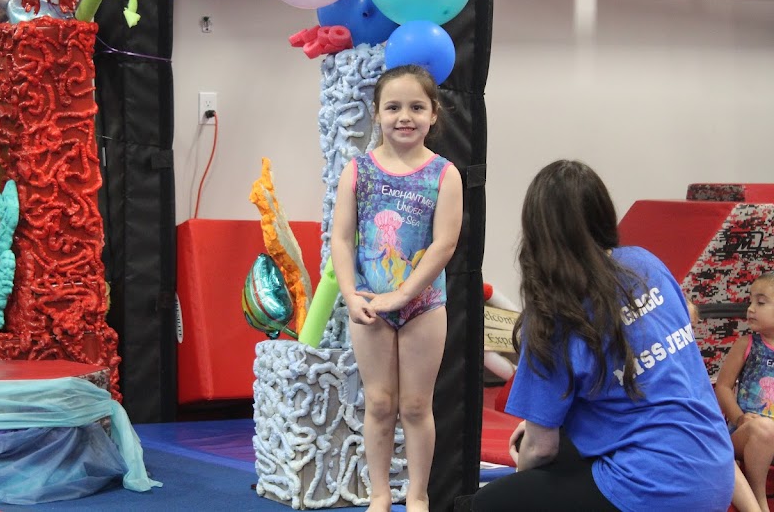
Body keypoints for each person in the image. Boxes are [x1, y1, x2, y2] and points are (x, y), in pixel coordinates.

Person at [466, 160, 734, 512]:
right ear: (603, 214)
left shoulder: (553, 312)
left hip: (656, 487)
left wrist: (521, 482)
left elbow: (540, 448)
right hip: (716, 469)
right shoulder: (646, 264)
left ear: (537, 232)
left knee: (488, 503)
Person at [331, 64, 463, 512]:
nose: (404, 116)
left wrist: (404, 295)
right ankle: (380, 494)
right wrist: (351, 294)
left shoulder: (444, 174)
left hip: (423, 304)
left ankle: (418, 495)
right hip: (370, 302)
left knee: (416, 405)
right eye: (393, 107)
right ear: (377, 113)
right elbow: (342, 238)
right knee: (380, 403)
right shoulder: (359, 171)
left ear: (433, 114)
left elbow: (444, 244)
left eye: (416, 107)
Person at [715, 272, 774, 512]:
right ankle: (758, 499)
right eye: (750, 301)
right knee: (764, 429)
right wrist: (739, 418)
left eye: (761, 302)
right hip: (746, 434)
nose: (750, 308)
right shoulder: (747, 344)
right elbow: (723, 386)